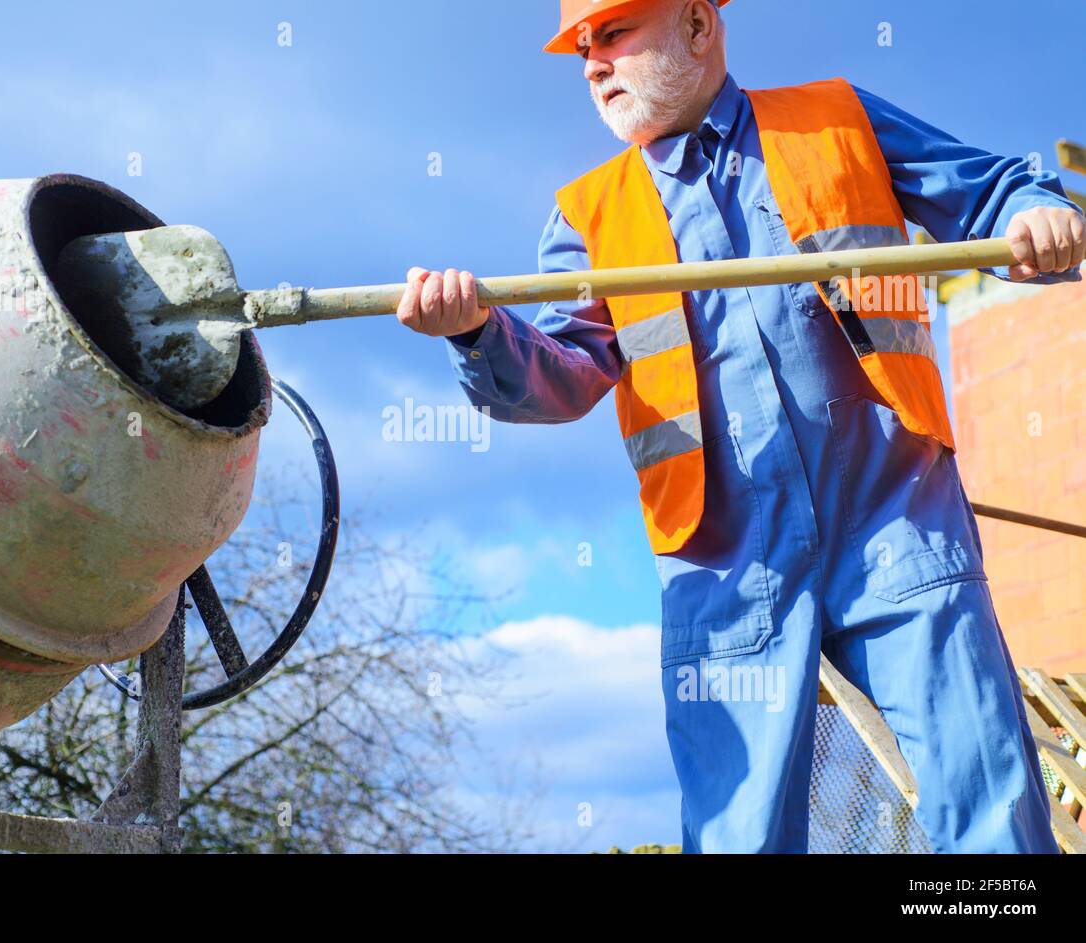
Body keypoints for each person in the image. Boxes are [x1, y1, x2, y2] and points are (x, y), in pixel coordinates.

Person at [394, 0, 1086, 852]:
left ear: (696, 25)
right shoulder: (588, 216)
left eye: (612, 34)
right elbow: (565, 375)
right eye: (582, 47)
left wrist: (1035, 210)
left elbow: (986, 193)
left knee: (990, 806)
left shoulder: (838, 122)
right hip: (723, 561)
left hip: (897, 520)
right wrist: (478, 332)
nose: (592, 65)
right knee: (739, 837)